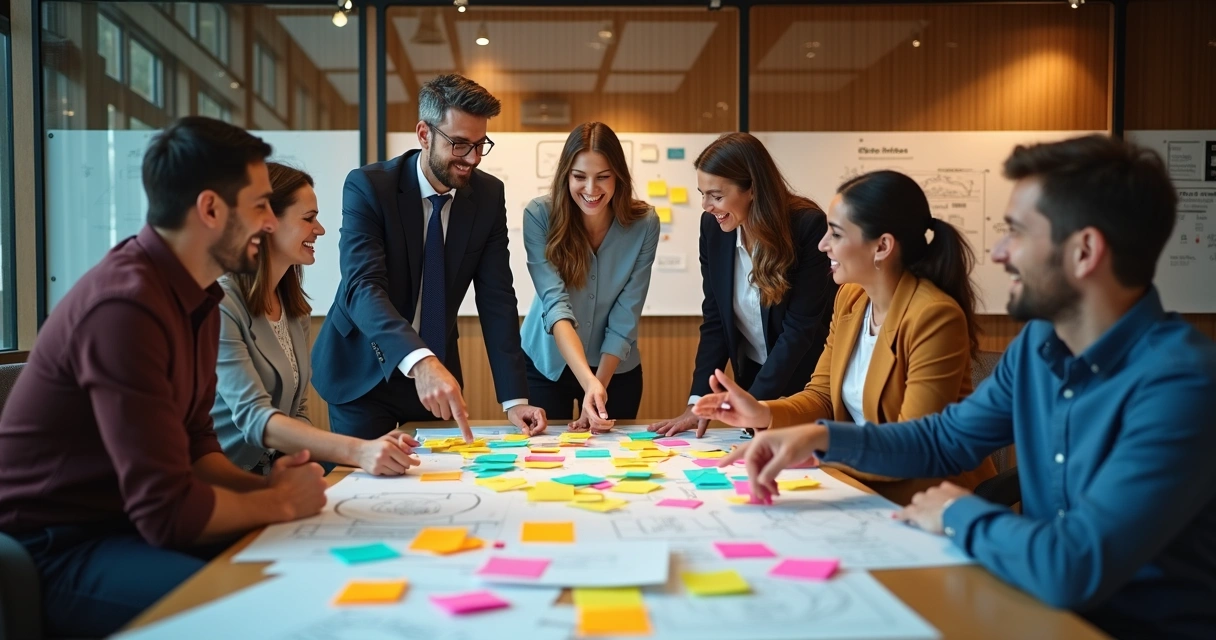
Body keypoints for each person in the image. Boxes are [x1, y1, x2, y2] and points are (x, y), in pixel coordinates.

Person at [720, 135, 1216, 640]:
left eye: (1015, 233)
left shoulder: (1182, 386)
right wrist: (820, 438)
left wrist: (957, 512)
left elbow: (1073, 565)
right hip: (1035, 604)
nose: (998, 253)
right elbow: (943, 439)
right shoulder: (1038, 346)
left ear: (1084, 251)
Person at [0, 117, 329, 637]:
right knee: (258, 614)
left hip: (130, 524)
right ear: (210, 209)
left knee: (311, 567)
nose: (269, 223)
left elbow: (199, 449)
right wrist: (279, 501)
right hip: (61, 546)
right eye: (260, 206)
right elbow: (167, 514)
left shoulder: (199, 297)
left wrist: (272, 490)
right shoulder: (125, 306)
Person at [694, 170, 996, 504]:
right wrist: (762, 411)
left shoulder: (933, 316)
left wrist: (818, 444)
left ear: (882, 246)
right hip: (862, 487)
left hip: (930, 500)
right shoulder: (851, 299)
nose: (822, 245)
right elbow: (822, 397)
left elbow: (913, 448)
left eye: (836, 234)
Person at [311, 74, 547, 442]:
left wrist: (514, 399)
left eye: (480, 145)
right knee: (372, 476)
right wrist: (419, 360)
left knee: (437, 474)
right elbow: (363, 287)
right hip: (363, 366)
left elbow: (497, 298)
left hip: (436, 372)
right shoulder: (370, 187)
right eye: (460, 144)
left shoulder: (487, 195)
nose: (472, 158)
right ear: (424, 134)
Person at [212, 163, 420, 476]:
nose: (320, 229)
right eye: (308, 218)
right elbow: (254, 418)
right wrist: (357, 450)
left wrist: (364, 452)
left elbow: (296, 411)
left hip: (275, 474)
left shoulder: (294, 308)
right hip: (223, 481)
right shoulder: (221, 305)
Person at [649, 132, 835, 438]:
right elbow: (716, 320)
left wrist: (749, 406)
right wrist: (698, 403)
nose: (706, 206)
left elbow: (800, 329)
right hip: (752, 377)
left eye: (716, 196)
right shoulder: (713, 228)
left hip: (807, 386)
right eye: (702, 193)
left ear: (752, 189)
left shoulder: (806, 226)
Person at [520, 123, 659, 433]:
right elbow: (555, 305)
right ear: (566, 175)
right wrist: (589, 382)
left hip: (615, 366)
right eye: (580, 176)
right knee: (543, 451)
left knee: (612, 453)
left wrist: (597, 387)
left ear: (619, 176)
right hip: (546, 364)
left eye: (603, 177)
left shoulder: (645, 223)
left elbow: (627, 312)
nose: (591, 189)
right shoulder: (540, 215)